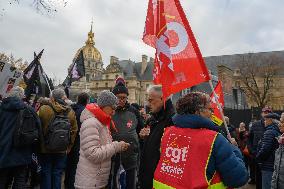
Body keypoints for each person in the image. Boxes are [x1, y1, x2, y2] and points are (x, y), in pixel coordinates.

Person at [153, 92, 248, 188]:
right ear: (198, 111)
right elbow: (238, 178)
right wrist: (234, 148)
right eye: (210, 109)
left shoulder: (167, 133)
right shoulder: (214, 139)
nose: (212, 113)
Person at [75, 90, 129, 189]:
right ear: (103, 105)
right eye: (112, 108)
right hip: (90, 183)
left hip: (96, 180)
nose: (114, 112)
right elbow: (93, 153)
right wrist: (116, 146)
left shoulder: (101, 122)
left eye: (115, 108)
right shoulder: (91, 123)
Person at [0, 87, 41, 188]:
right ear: (22, 96)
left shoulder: (2, 108)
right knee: (20, 179)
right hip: (23, 150)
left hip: (3, 149)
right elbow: (38, 130)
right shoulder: (29, 110)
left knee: (2, 178)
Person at [38, 88, 78, 189]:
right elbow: (74, 130)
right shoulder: (70, 111)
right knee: (57, 173)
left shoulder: (44, 109)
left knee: (46, 172)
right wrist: (69, 146)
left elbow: (37, 127)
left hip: (46, 148)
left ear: (52, 98)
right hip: (62, 148)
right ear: (63, 97)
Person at [139, 85, 175, 189]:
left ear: (162, 98)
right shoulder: (152, 119)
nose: (148, 104)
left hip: (159, 179)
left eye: (151, 100)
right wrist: (143, 138)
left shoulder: (172, 120)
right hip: (146, 175)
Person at [109, 79, 144, 189]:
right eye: (118, 97)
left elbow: (140, 129)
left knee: (131, 183)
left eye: (124, 97)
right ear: (114, 97)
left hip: (131, 155)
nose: (121, 100)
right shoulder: (109, 111)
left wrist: (142, 135)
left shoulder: (134, 111)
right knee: (114, 182)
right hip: (113, 155)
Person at [64, 92, 90, 189]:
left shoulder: (69, 109)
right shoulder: (85, 111)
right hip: (78, 142)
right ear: (87, 101)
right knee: (75, 167)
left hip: (67, 140)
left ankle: (66, 184)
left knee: (68, 166)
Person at [248, 106, 272, 188]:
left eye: (268, 112)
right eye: (265, 112)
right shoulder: (255, 125)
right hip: (257, 156)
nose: (267, 114)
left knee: (268, 180)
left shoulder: (274, 125)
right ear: (262, 114)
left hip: (269, 159)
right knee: (258, 179)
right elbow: (249, 139)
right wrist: (252, 151)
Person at [256, 113, 281, 189]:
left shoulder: (269, 132)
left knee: (267, 185)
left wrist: (258, 158)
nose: (264, 122)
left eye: (265, 120)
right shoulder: (277, 131)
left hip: (268, 166)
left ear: (270, 121)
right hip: (274, 164)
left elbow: (265, 149)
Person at [271, 113, 284, 189]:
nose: (279, 124)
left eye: (282, 122)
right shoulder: (280, 143)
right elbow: (276, 171)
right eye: (280, 121)